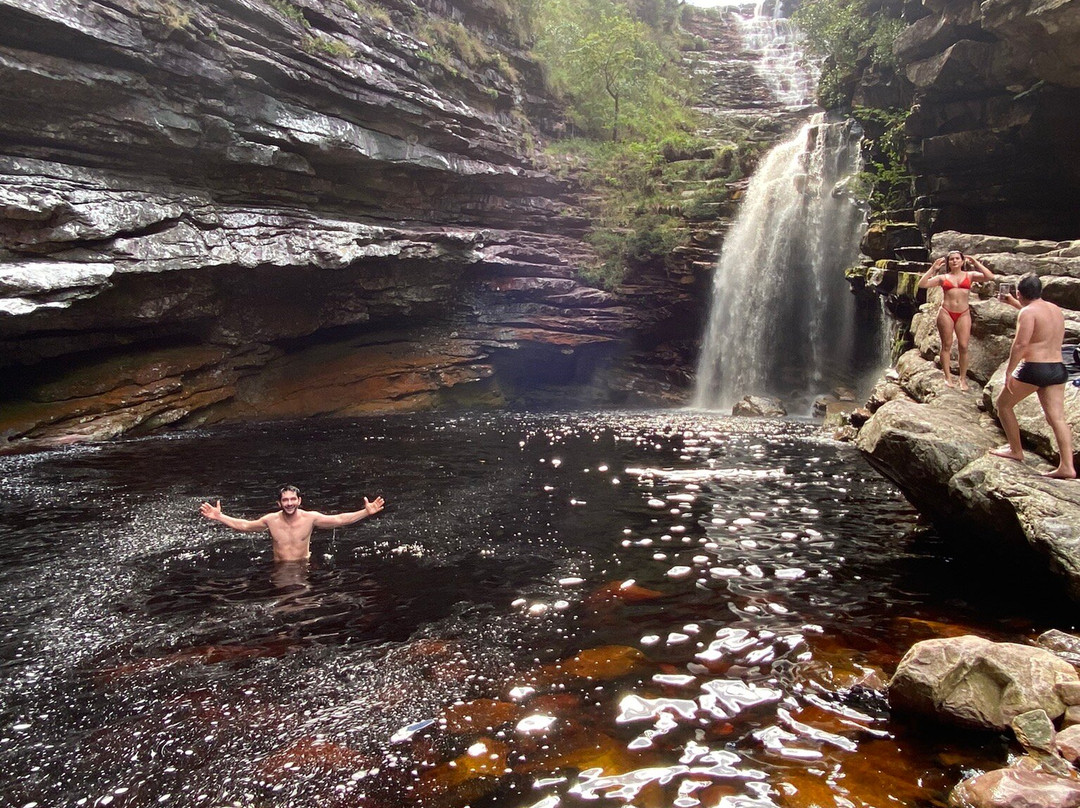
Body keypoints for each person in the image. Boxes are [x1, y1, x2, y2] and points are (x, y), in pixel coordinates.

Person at [990, 272, 1076, 479]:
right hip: (1057, 368)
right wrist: (1015, 304)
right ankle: (1067, 466)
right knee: (1057, 418)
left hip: (1034, 368)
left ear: (1019, 293)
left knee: (1003, 405)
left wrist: (1010, 371)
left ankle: (1015, 451)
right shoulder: (1054, 309)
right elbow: (1040, 323)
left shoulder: (1027, 313)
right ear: (1040, 291)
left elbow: (1021, 344)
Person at [200, 485, 386, 561]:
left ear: (299, 501)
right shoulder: (270, 520)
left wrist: (365, 512)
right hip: (279, 568)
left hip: (303, 566)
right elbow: (245, 526)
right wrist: (219, 517)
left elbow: (338, 519)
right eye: (285, 500)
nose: (289, 503)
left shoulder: (310, 518)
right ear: (279, 503)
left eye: (292, 499)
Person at [917, 249, 995, 390]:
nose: (954, 261)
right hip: (946, 312)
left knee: (964, 346)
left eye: (957, 258)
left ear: (962, 261)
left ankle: (962, 379)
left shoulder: (970, 275)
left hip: (963, 313)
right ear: (948, 262)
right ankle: (947, 377)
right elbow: (922, 284)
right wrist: (933, 269)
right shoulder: (943, 278)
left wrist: (976, 263)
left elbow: (989, 276)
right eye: (951, 259)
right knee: (946, 345)